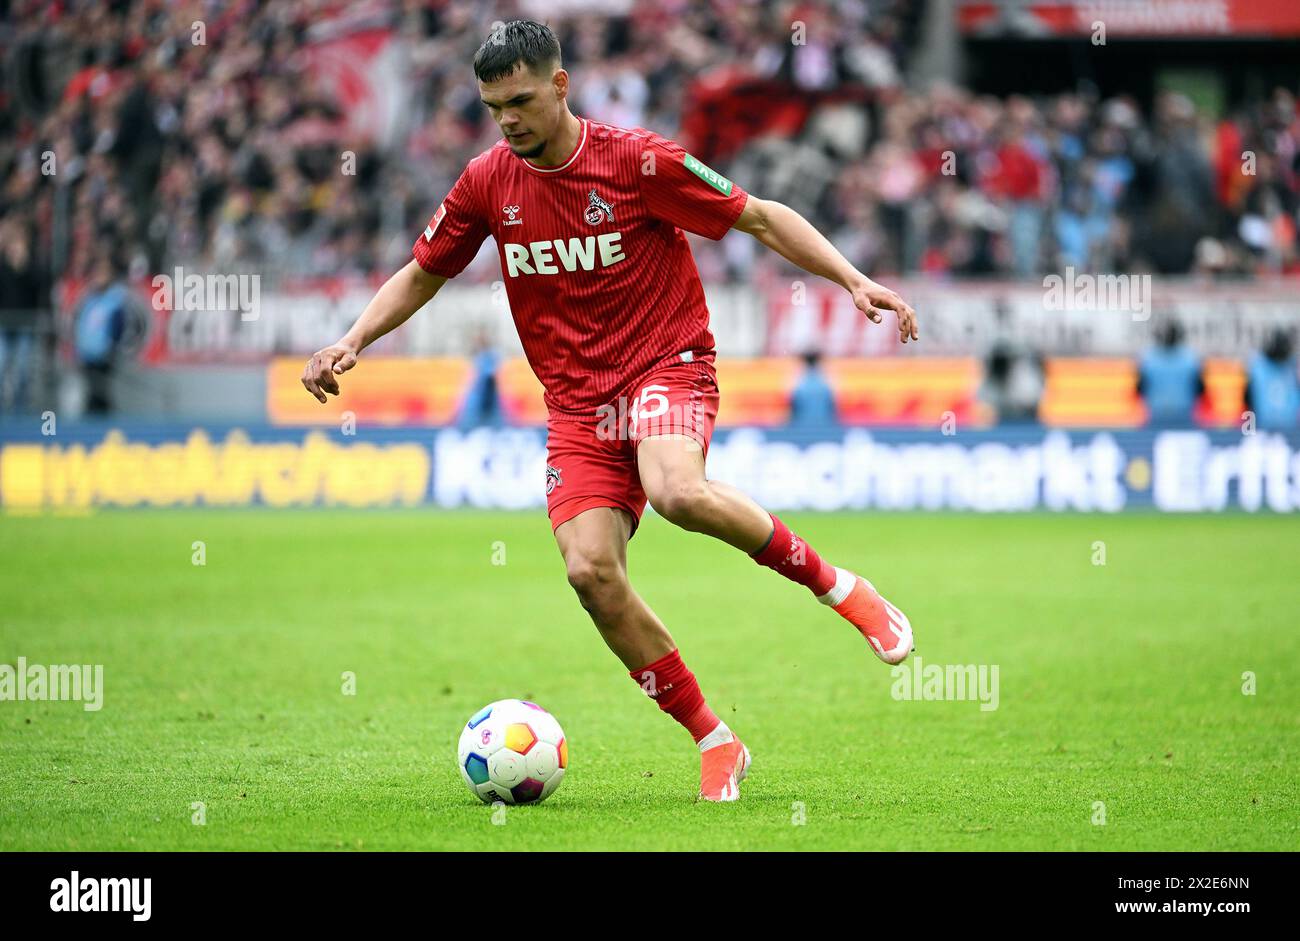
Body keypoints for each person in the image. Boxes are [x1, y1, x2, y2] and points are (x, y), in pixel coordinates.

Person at [301, 21, 919, 803]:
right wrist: (352, 338)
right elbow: (424, 271)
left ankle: (842, 589)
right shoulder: (488, 181)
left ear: (560, 86)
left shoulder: (637, 162)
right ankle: (715, 738)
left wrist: (852, 279)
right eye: (494, 107)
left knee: (678, 490)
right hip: (579, 406)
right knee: (591, 572)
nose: (510, 119)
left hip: (667, 363)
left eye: (521, 100)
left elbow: (760, 215)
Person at [1137, 319, 1204, 425]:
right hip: (1184, 417)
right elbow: (1200, 390)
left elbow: (1139, 389)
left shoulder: (1148, 358)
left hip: (1156, 417)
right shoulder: (1191, 358)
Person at [1245, 329, 1300, 430]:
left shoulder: (1292, 367)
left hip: (1291, 430)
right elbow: (1248, 400)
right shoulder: (1258, 366)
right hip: (1262, 430)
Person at [789, 351, 838, 427]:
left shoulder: (799, 384)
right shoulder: (826, 384)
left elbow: (794, 410)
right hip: (822, 427)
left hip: (803, 427)